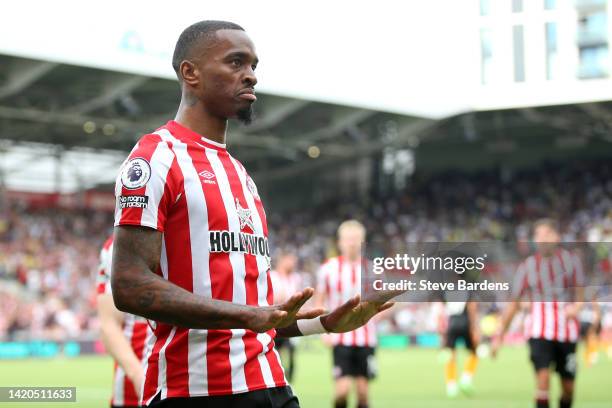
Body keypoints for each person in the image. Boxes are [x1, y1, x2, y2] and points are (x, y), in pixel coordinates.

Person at [110, 20, 395, 408]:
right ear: (190, 73)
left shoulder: (241, 176)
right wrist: (246, 316)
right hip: (194, 391)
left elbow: (258, 313)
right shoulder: (155, 158)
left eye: (254, 66)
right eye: (236, 62)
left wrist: (324, 324)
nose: (251, 77)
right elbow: (129, 284)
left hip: (270, 385)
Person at [492, 219, 584, 408]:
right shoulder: (527, 266)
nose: (542, 239)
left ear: (556, 237)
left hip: (567, 331)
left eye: (546, 234)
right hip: (538, 330)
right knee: (543, 379)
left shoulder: (571, 261)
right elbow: (514, 303)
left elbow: (581, 293)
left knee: (568, 387)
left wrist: (577, 307)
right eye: (538, 235)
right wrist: (500, 334)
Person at [314, 220, 377, 408]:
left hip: (366, 339)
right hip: (340, 338)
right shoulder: (328, 269)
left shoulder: (372, 269)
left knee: (363, 394)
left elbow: (380, 302)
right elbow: (320, 301)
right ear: (340, 242)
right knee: (342, 392)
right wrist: (321, 330)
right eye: (348, 239)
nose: (351, 243)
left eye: (356, 239)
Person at [96, 235, 150, 408]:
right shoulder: (117, 246)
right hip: (132, 393)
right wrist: (138, 376)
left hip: (188, 384)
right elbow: (108, 325)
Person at [270, 250, 302, 382]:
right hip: (275, 322)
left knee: (292, 352)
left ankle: (289, 380)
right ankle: (278, 378)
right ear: (282, 261)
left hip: (291, 322)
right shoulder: (272, 276)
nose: (293, 263)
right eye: (290, 260)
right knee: (275, 352)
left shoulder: (296, 278)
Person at [440, 299, 479, 398]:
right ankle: (466, 378)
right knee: (474, 352)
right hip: (465, 322)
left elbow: (442, 309)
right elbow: (472, 306)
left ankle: (451, 385)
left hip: (452, 324)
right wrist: (474, 327)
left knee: (451, 354)